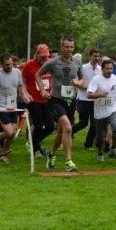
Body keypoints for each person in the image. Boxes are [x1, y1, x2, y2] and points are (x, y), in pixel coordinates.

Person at [36, 36, 83, 172]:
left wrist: (78, 83)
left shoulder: (77, 62)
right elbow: (38, 74)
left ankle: (51, 154)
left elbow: (82, 79)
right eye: (66, 47)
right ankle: (68, 161)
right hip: (56, 100)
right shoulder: (53, 62)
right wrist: (43, 90)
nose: (69, 49)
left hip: (71, 100)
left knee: (62, 132)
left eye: (71, 47)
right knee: (68, 128)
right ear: (61, 47)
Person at [0, 54, 32, 164]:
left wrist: (24, 95)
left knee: (13, 133)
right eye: (7, 65)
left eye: (11, 64)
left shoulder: (17, 72)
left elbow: (20, 85)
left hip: (12, 107)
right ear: (1, 64)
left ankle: (2, 154)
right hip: (1, 107)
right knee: (9, 132)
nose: (10, 66)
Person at [22, 44, 55, 159]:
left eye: (46, 56)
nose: (44, 59)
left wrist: (52, 91)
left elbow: (54, 78)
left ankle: (33, 143)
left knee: (50, 126)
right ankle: (36, 148)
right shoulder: (29, 65)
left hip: (47, 99)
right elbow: (22, 80)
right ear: (37, 54)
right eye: (42, 57)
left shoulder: (50, 63)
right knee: (38, 126)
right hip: (34, 99)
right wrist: (25, 93)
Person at [88, 57, 116, 162]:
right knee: (100, 137)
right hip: (99, 111)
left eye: (111, 68)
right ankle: (100, 153)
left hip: (112, 108)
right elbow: (89, 95)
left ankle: (113, 148)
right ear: (102, 69)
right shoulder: (96, 79)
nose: (109, 71)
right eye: (107, 68)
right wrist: (100, 94)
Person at [72, 47, 102, 151]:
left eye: (98, 56)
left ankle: (88, 144)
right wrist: (88, 88)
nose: (96, 58)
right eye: (94, 56)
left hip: (95, 101)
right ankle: (68, 132)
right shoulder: (83, 68)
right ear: (90, 56)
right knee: (83, 123)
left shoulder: (101, 69)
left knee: (94, 124)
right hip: (83, 99)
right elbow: (77, 82)